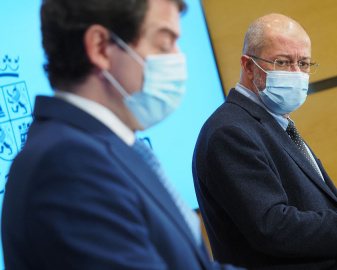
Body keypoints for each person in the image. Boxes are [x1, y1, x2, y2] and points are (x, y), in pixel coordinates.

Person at [1, 0, 241, 269]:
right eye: (164, 44)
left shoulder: (110, 147)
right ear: (101, 48)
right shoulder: (67, 166)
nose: (178, 58)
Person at [193, 13, 337, 270]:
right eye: (283, 62)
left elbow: (305, 209)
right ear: (248, 65)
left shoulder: (272, 123)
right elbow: (275, 228)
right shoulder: (230, 131)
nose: (296, 74)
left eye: (304, 63)